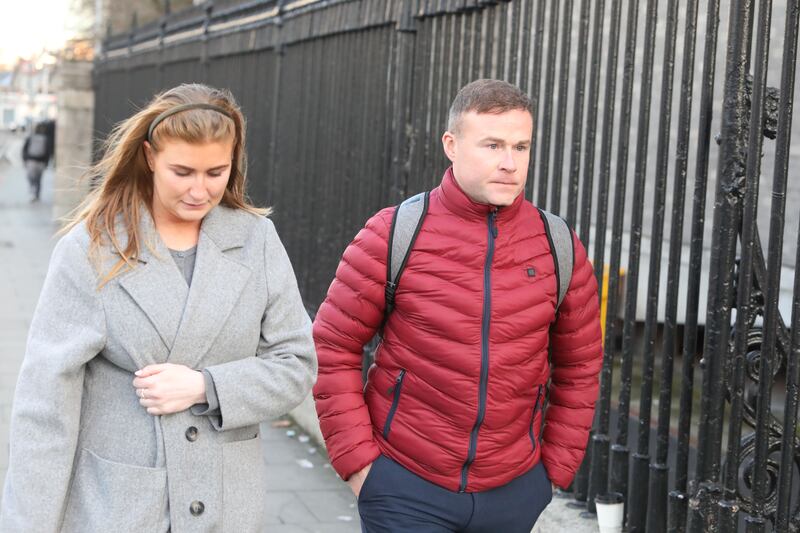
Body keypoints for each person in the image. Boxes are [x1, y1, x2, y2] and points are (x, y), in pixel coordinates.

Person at [0, 83, 317, 532]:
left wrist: (206, 387)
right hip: (120, 506)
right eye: (182, 171)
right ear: (150, 157)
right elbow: (46, 405)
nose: (199, 190)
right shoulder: (94, 248)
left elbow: (296, 365)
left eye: (216, 172)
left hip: (225, 504)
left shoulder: (256, 241)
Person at [313, 79, 603, 532]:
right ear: (451, 145)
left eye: (521, 147)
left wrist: (551, 475)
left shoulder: (558, 246)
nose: (510, 163)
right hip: (405, 484)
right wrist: (359, 465)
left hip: (513, 491)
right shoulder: (394, 233)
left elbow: (581, 366)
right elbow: (332, 347)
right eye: (492, 145)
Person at [21, 122, 53, 202]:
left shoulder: (30, 137)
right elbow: (48, 152)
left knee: (31, 178)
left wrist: (25, 160)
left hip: (31, 161)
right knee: (38, 179)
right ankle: (36, 194)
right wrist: (46, 163)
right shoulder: (46, 139)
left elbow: (24, 149)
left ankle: (33, 192)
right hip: (40, 162)